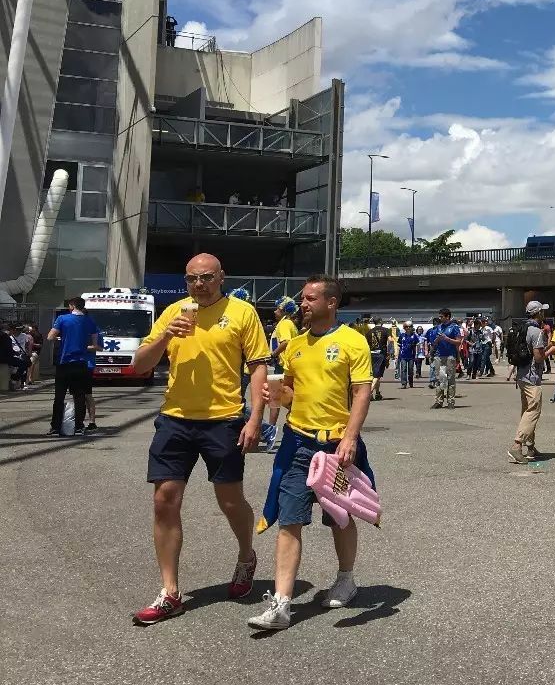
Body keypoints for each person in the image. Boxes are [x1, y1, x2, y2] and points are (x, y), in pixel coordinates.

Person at [128, 253, 271, 625]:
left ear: (221, 276)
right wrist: (164, 336)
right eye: (192, 278)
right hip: (175, 419)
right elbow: (140, 364)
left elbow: (258, 366)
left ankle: (245, 556)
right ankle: (170, 592)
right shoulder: (174, 310)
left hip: (223, 420)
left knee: (229, 500)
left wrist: (254, 418)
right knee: (164, 500)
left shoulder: (242, 313)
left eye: (206, 277)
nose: (199, 284)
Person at [249, 276, 375, 630]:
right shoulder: (295, 345)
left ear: (331, 302)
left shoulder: (352, 341)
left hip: (337, 446)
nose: (301, 304)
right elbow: (289, 390)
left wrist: (350, 437)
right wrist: (275, 394)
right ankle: (282, 603)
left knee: (340, 516)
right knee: (289, 517)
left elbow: (362, 393)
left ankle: (346, 580)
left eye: (309, 299)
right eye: (302, 299)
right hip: (299, 443)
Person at [46, 297, 101, 437]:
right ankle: (78, 426)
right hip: (81, 363)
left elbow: (50, 337)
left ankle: (55, 427)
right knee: (79, 396)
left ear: (71, 306)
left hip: (64, 362)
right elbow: (95, 344)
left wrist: (62, 337)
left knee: (59, 396)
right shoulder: (90, 321)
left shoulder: (62, 319)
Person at [505, 302, 547, 464]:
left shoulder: (521, 328)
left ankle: (530, 447)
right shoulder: (536, 331)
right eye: (542, 311)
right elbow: (538, 357)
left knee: (526, 410)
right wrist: (550, 350)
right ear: (538, 313)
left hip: (521, 375)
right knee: (533, 410)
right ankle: (517, 445)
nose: (543, 314)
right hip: (532, 376)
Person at [263, 299, 299, 451]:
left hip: (282, 367)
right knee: (286, 399)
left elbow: (285, 342)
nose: (275, 311)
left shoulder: (284, 324)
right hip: (287, 366)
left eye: (277, 309)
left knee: (274, 399)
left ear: (284, 310)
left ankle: (270, 430)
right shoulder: (290, 324)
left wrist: (273, 354)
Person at [431, 308, 463, 409]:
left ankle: (450, 401)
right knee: (441, 378)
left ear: (447, 316)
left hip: (450, 356)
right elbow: (434, 343)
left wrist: (447, 339)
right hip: (439, 356)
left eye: (442, 316)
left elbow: (459, 342)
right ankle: (439, 401)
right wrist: (437, 340)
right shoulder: (438, 327)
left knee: (450, 379)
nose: (440, 318)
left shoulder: (454, 327)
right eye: (439, 316)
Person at [396, 321, 417, 389]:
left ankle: (411, 382)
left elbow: (418, 345)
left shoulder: (414, 336)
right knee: (403, 369)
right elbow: (398, 345)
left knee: (410, 370)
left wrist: (417, 354)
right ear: (404, 328)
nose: (408, 328)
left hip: (411, 356)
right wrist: (397, 355)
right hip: (403, 356)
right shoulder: (402, 335)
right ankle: (404, 383)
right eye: (406, 327)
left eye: (410, 326)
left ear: (412, 327)